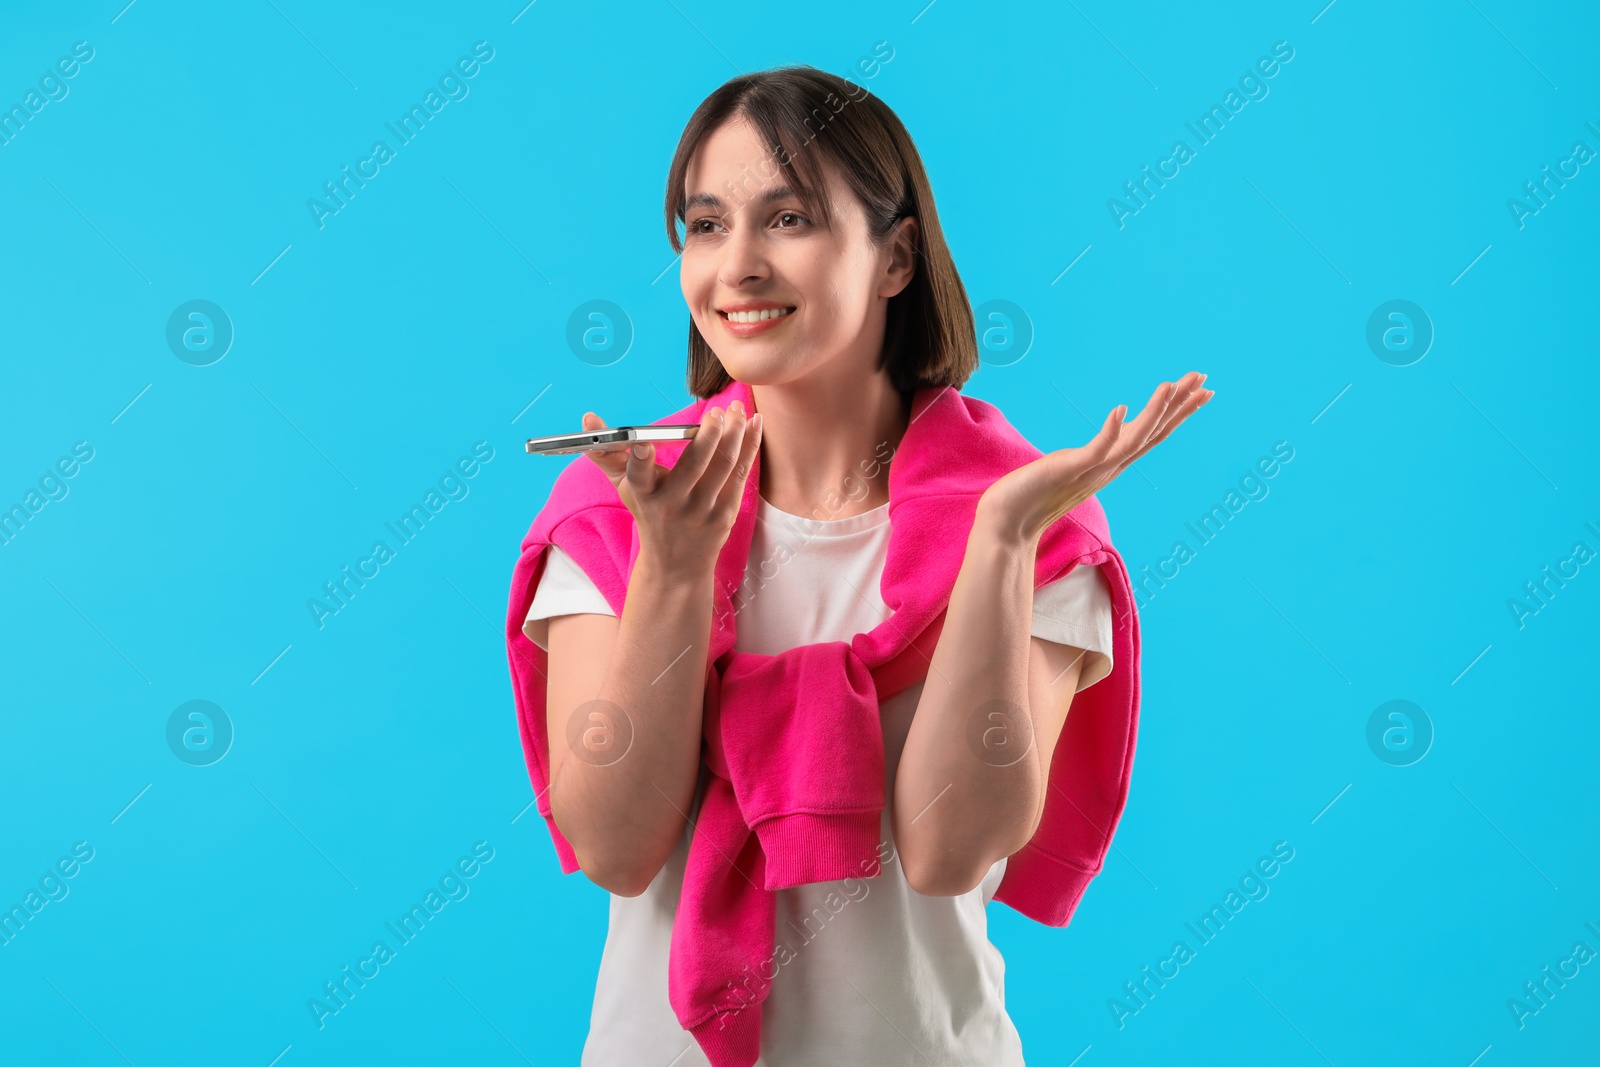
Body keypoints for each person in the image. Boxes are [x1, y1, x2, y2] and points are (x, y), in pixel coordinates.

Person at [513, 64, 1211, 1065]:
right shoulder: (615, 509)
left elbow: (949, 847)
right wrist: (671, 573)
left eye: (787, 219)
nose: (737, 266)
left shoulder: (1040, 523)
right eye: (705, 225)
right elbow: (613, 846)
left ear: (894, 257)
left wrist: (1002, 543)